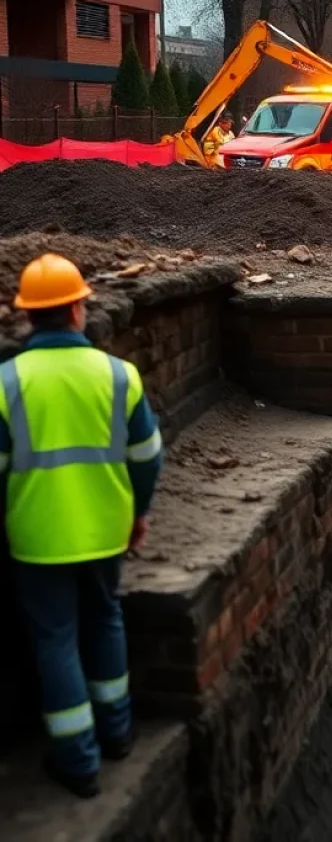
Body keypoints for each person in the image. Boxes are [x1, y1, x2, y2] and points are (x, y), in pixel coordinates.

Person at [0, 254, 163, 799]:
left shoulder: (7, 383)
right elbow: (147, 456)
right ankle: (117, 732)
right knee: (105, 619)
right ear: (76, 309)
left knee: (55, 641)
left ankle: (78, 761)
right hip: (105, 530)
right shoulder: (118, 374)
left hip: (38, 537)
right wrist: (137, 513)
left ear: (28, 317)